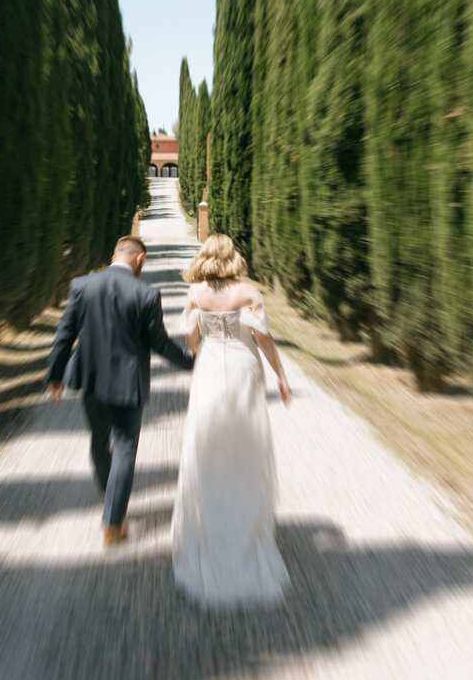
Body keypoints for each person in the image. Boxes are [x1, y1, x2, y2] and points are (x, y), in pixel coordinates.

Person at [45, 235, 194, 545]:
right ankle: (113, 524)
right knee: (125, 447)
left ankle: (107, 495)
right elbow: (160, 343)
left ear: (115, 255)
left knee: (99, 441)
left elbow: (64, 335)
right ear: (139, 260)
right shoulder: (147, 293)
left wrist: (55, 376)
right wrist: (191, 362)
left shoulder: (81, 286)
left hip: (92, 380)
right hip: (128, 383)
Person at [172, 233, 291, 605]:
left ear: (206, 256)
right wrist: (281, 376)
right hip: (243, 368)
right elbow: (264, 339)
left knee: (206, 447)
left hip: (209, 369)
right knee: (245, 447)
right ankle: (246, 528)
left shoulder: (195, 294)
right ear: (233, 256)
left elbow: (191, 341)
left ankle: (210, 527)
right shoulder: (249, 293)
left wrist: (203, 348)